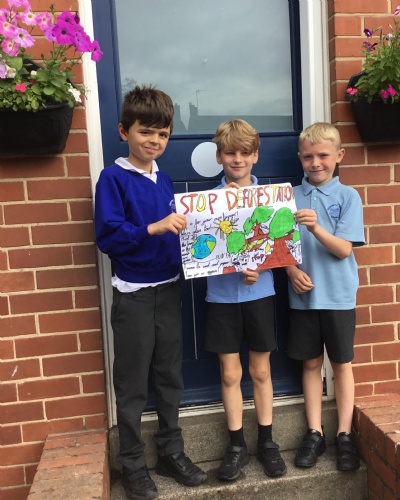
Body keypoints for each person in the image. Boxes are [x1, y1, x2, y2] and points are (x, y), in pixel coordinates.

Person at [94, 86, 207, 500]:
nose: (154, 141)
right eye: (146, 132)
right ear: (124, 131)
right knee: (132, 384)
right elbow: (108, 237)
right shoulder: (113, 178)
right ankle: (132, 464)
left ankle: (171, 453)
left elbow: (182, 234)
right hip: (135, 296)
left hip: (169, 290)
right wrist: (152, 228)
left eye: (162, 134)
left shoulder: (164, 178)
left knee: (170, 376)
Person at [205, 119, 287, 481]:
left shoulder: (270, 200)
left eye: (244, 152)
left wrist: (261, 267)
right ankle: (236, 446)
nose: (237, 159)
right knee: (229, 373)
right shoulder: (207, 202)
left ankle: (267, 442)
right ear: (219, 157)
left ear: (255, 156)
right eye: (229, 153)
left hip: (260, 293)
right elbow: (201, 250)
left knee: (261, 370)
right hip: (221, 297)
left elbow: (280, 245)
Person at [286, 122, 365, 472]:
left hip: (338, 295)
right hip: (303, 297)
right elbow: (276, 247)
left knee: (341, 364)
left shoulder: (348, 197)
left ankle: (344, 434)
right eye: (308, 157)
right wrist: (291, 271)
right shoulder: (288, 196)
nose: (315, 163)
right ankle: (315, 432)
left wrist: (316, 226)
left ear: (339, 156)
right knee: (310, 364)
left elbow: (344, 249)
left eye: (322, 155)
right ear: (299, 158)